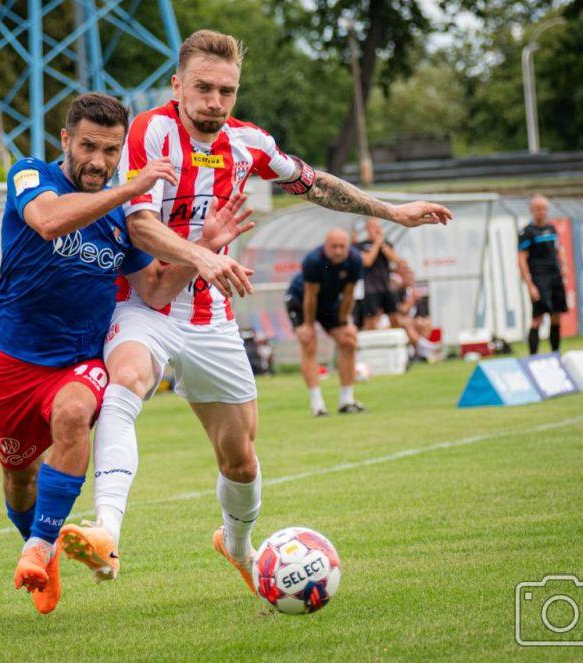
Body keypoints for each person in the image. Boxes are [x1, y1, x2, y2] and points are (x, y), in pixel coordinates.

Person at [61, 30, 452, 595]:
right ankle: (106, 533)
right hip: (146, 300)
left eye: (227, 90)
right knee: (125, 381)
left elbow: (314, 182)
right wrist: (203, 253)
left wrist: (392, 210)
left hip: (211, 315)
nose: (215, 101)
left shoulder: (250, 144)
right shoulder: (150, 131)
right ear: (178, 85)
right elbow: (141, 224)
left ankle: (239, 548)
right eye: (203, 88)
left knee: (240, 459)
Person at [0, 92, 254, 615]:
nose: (98, 161)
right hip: (13, 365)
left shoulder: (119, 218)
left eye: (110, 150)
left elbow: (153, 291)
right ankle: (48, 548)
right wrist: (132, 187)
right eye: (87, 147)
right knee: (18, 479)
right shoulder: (31, 175)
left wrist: (207, 248)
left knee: (76, 411)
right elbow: (49, 221)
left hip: (79, 363)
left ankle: (39, 546)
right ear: (65, 140)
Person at [286, 230, 365, 416]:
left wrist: (345, 322)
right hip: (301, 300)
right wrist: (308, 325)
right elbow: (310, 297)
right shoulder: (313, 260)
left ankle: (346, 400)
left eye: (342, 247)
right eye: (333, 246)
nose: (338, 251)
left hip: (329, 302)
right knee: (309, 343)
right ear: (325, 246)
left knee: (349, 341)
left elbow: (348, 295)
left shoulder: (355, 260)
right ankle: (318, 405)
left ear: (348, 247)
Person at [518, 194, 569, 354]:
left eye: (544, 208)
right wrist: (530, 284)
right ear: (532, 210)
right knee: (538, 317)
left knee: (556, 314)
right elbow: (521, 259)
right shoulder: (527, 232)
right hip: (539, 279)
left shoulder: (551, 228)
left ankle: (556, 353)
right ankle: (533, 357)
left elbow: (559, 249)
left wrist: (564, 265)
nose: (541, 212)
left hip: (555, 277)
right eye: (538, 209)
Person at [355, 217, 407, 330]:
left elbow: (396, 260)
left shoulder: (386, 244)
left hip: (386, 287)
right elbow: (367, 261)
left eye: (378, 227)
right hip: (370, 289)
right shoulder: (360, 246)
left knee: (395, 318)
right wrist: (376, 244)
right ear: (367, 228)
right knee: (370, 322)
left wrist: (382, 244)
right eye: (374, 227)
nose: (377, 229)